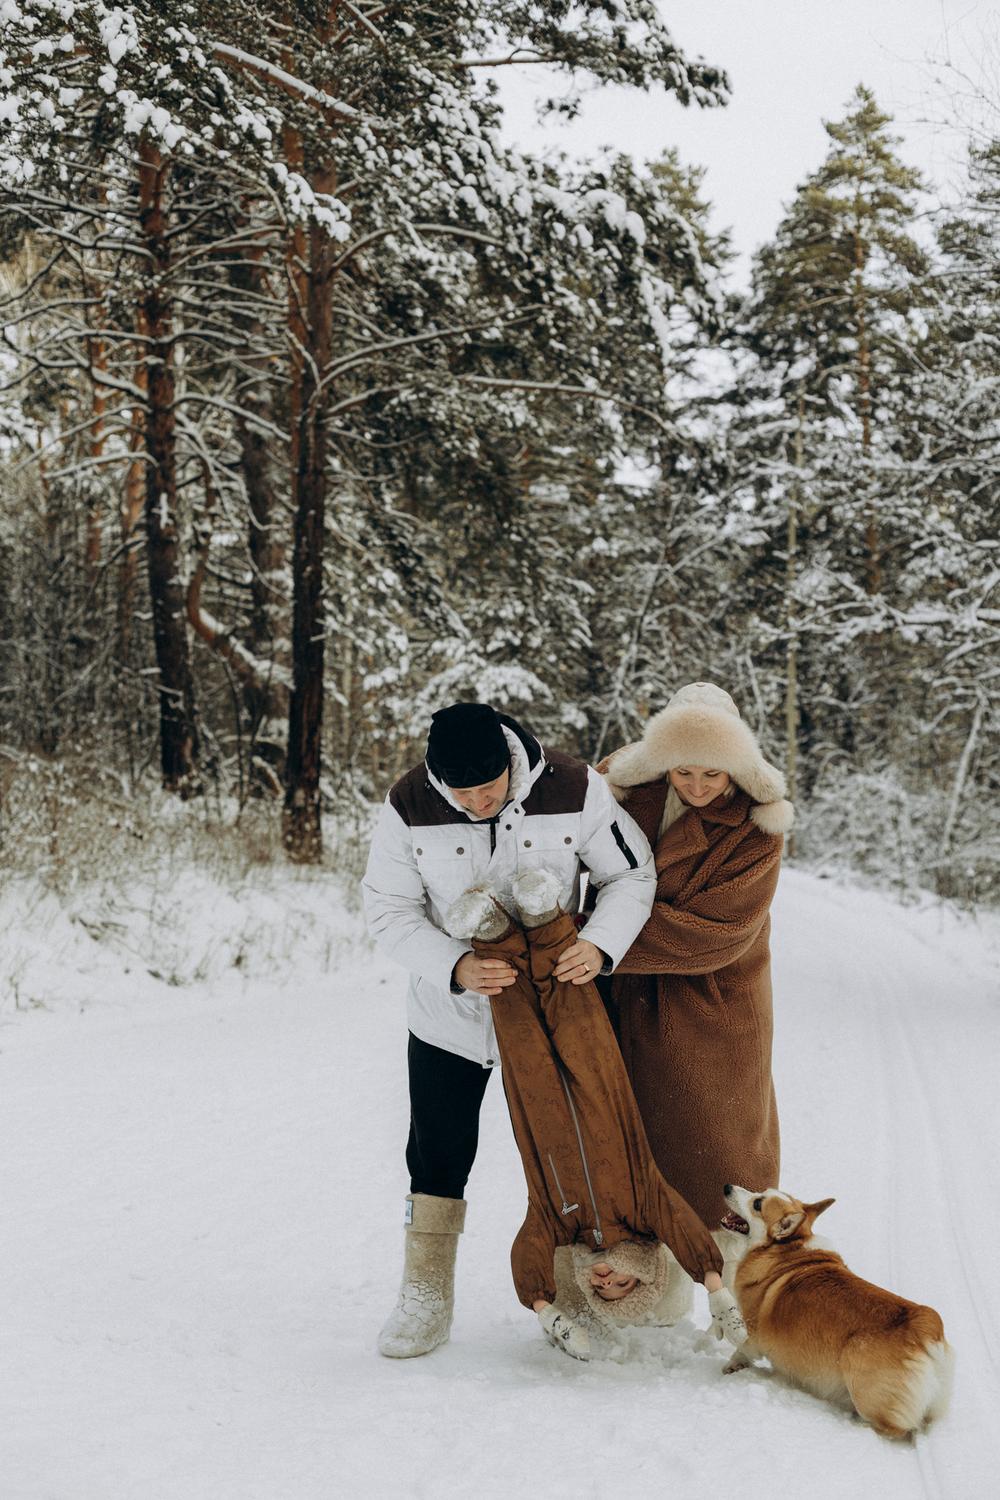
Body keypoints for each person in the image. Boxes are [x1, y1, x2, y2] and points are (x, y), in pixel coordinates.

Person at [362, 701, 656, 1358]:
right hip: (453, 1016)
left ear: (509, 763)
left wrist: (602, 945)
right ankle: (426, 1293)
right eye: (459, 792)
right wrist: (455, 965)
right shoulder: (409, 802)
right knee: (436, 1153)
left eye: (486, 788)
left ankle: (577, 1290)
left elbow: (630, 875)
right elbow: (387, 908)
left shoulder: (575, 788)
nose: (473, 802)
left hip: (558, 1013)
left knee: (574, 1152)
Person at [443, 868, 738, 1363]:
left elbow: (528, 1255)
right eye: (623, 1283)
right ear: (644, 1268)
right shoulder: (648, 1208)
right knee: (572, 1006)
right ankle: (544, 920)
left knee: (516, 1017)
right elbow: (686, 1234)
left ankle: (493, 932)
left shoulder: (557, 1226)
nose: (606, 1280)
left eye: (602, 1290)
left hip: (534, 1097)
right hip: (602, 1086)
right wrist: (715, 1288)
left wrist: (544, 1308)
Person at [598, 681, 794, 1259]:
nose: (699, 787)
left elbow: (715, 934)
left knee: (719, 1143)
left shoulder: (759, 825)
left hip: (715, 998)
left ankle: (734, 1276)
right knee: (624, 1137)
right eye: (685, 772)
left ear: (736, 768)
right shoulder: (621, 791)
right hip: (622, 993)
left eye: (714, 775)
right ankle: (639, 1273)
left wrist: (594, 936)